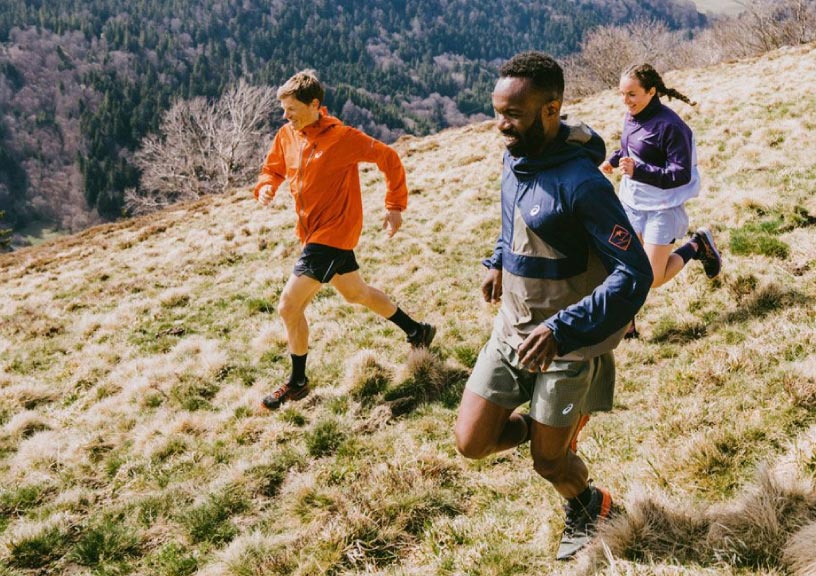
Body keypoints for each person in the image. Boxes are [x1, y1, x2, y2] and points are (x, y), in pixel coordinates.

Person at [454, 52, 653, 561]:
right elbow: (512, 212)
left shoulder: (584, 185)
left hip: (565, 345)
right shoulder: (515, 156)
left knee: (549, 465)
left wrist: (563, 329)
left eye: (513, 115)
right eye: (498, 112)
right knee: (472, 442)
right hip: (513, 329)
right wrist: (499, 257)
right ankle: (552, 431)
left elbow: (636, 273)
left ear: (551, 109)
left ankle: (591, 505)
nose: (502, 125)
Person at [253, 69, 434, 411]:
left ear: (315, 105)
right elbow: (273, 168)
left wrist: (394, 206)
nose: (285, 116)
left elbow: (389, 158)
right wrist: (266, 186)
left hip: (333, 235)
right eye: (284, 110)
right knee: (356, 293)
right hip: (310, 234)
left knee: (289, 306)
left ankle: (298, 382)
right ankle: (417, 331)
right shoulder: (287, 135)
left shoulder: (343, 138)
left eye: (291, 109)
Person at [600, 64, 722, 339]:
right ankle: (627, 326)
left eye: (631, 94)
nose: (625, 101)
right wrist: (613, 160)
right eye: (622, 94)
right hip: (632, 203)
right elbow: (629, 148)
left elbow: (680, 174)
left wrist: (638, 171)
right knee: (625, 266)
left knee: (653, 278)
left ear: (652, 91)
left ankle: (698, 244)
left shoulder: (672, 127)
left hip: (661, 209)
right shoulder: (631, 116)